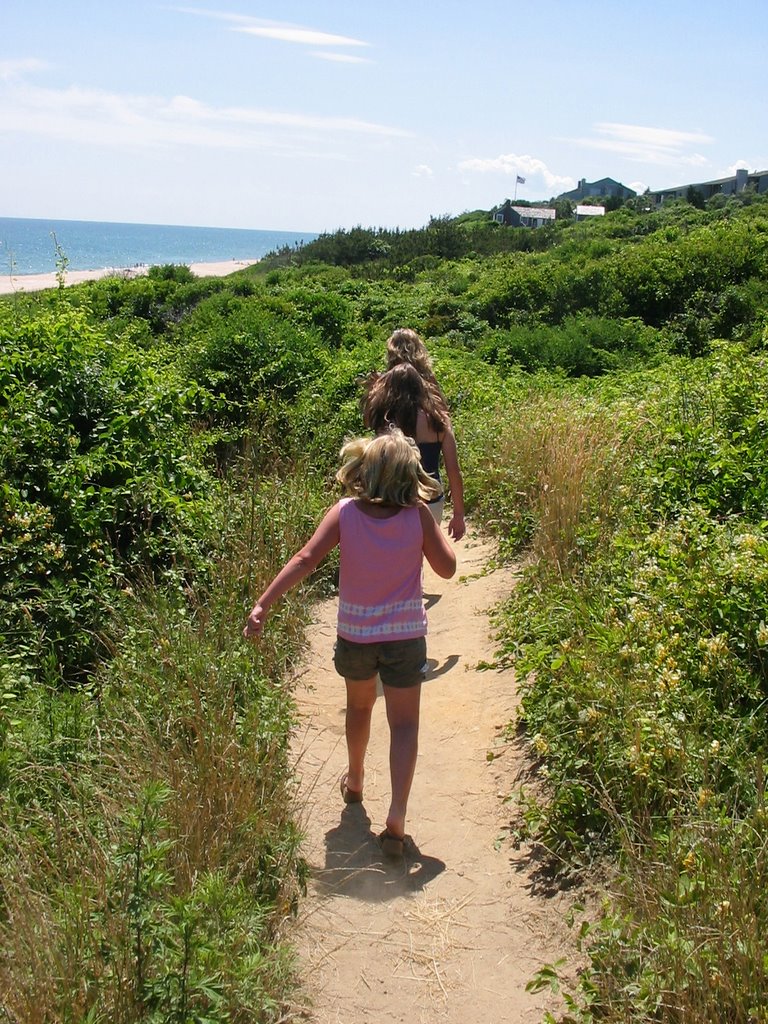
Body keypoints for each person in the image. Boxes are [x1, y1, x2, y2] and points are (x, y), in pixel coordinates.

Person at [243, 428, 456, 857]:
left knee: (359, 708)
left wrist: (264, 603)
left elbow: (306, 558)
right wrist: (435, 529)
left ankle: (355, 779)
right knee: (405, 725)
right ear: (410, 475)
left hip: (356, 637)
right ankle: (397, 813)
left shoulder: (344, 512)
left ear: (366, 471)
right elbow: (447, 569)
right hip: (405, 637)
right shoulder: (417, 517)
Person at [364, 362, 466, 541]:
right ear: (420, 387)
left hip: (395, 498)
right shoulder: (438, 420)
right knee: (420, 557)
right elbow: (454, 472)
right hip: (431, 498)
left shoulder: (386, 422)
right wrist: (458, 515)